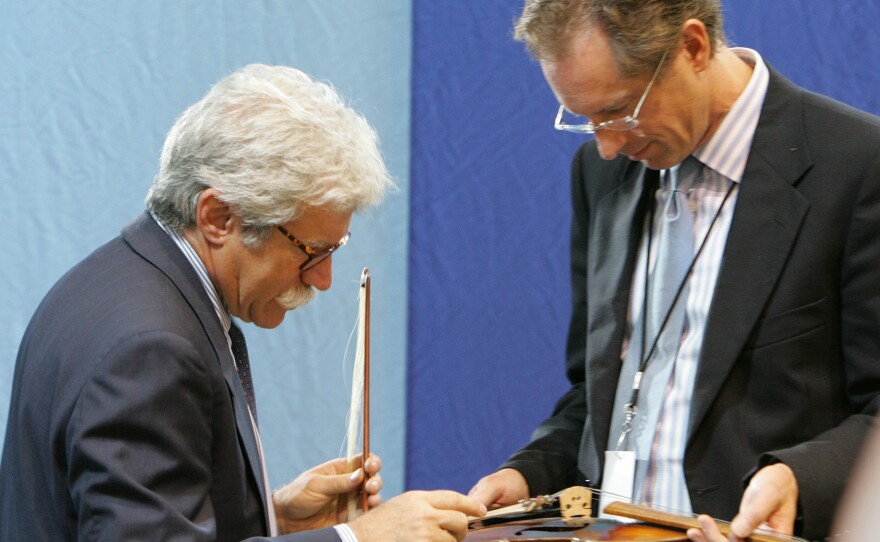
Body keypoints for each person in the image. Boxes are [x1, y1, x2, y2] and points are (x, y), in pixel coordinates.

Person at [0, 63, 484, 541]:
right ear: (217, 217)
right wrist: (357, 541)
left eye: (335, 250)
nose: (324, 278)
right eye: (312, 251)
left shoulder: (116, 281)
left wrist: (274, 519)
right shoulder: (151, 350)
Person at [467, 2, 880, 541]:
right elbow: (598, 397)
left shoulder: (858, 166)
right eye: (587, 120)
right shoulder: (600, 174)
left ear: (693, 47)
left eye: (619, 112)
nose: (608, 145)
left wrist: (800, 476)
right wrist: (528, 471)